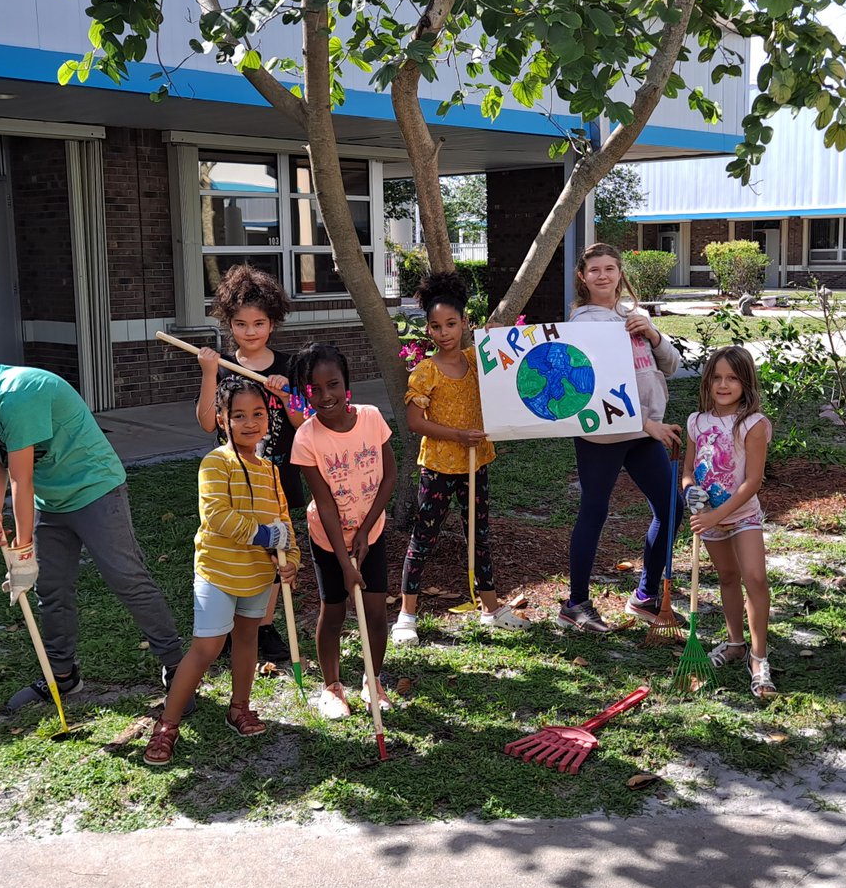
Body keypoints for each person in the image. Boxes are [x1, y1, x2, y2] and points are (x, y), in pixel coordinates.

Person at [0, 355, 186, 711]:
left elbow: (22, 479)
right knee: (51, 589)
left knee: (127, 578)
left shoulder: (21, 392)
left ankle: (178, 667)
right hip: (52, 502)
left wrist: (21, 552)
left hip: (95, 489)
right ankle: (62, 675)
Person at [144, 376, 299, 765]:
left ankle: (239, 708)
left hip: (258, 576)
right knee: (206, 648)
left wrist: (291, 556)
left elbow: (284, 522)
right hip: (217, 572)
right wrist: (265, 535)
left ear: (269, 418)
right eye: (240, 415)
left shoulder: (271, 470)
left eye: (258, 414)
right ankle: (167, 725)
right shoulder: (216, 462)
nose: (250, 422)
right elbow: (216, 517)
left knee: (249, 639)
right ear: (222, 420)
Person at [392, 272, 530, 646]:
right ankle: (406, 616)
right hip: (438, 466)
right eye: (435, 326)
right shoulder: (425, 371)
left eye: (451, 324)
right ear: (428, 330)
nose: (444, 332)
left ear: (465, 323)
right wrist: (457, 435)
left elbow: (511, 359)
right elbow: (415, 420)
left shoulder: (477, 360)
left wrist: (498, 335)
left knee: (479, 536)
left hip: (476, 463)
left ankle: (491, 610)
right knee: (424, 539)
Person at [559, 242, 684, 634]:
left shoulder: (634, 316)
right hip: (604, 435)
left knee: (672, 509)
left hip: (645, 430)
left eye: (610, 268)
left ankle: (645, 595)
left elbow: (673, 366)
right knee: (595, 511)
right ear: (583, 276)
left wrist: (653, 332)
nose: (603, 275)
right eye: (594, 269)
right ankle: (575, 603)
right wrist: (649, 426)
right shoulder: (582, 325)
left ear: (619, 272)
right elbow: (594, 389)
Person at [196, 263, 304, 665]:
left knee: (274, 550)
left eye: (259, 323)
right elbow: (208, 421)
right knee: (237, 544)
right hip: (232, 480)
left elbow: (302, 423)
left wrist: (287, 393)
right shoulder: (221, 364)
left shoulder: (289, 365)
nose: (251, 331)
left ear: (272, 323)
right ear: (229, 324)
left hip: (275, 475)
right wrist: (210, 373)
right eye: (241, 324)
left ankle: (263, 625)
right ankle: (230, 624)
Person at [290, 343, 397, 719]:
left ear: (346, 384)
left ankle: (373, 678)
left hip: (372, 530)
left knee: (375, 612)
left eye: (332, 385)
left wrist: (366, 533)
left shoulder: (371, 419)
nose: (324, 396)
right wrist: (344, 558)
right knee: (333, 611)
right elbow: (326, 504)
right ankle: (332, 686)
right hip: (328, 537)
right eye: (314, 390)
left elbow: (389, 478)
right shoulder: (306, 438)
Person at [682, 345, 776, 699]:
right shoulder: (697, 421)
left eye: (732, 378)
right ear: (708, 382)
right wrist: (689, 490)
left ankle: (758, 655)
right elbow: (688, 469)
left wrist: (716, 516)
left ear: (745, 382)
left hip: (741, 515)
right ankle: (735, 642)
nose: (724, 385)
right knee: (726, 577)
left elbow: (753, 480)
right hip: (707, 517)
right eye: (717, 377)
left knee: (755, 577)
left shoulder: (753, 423)